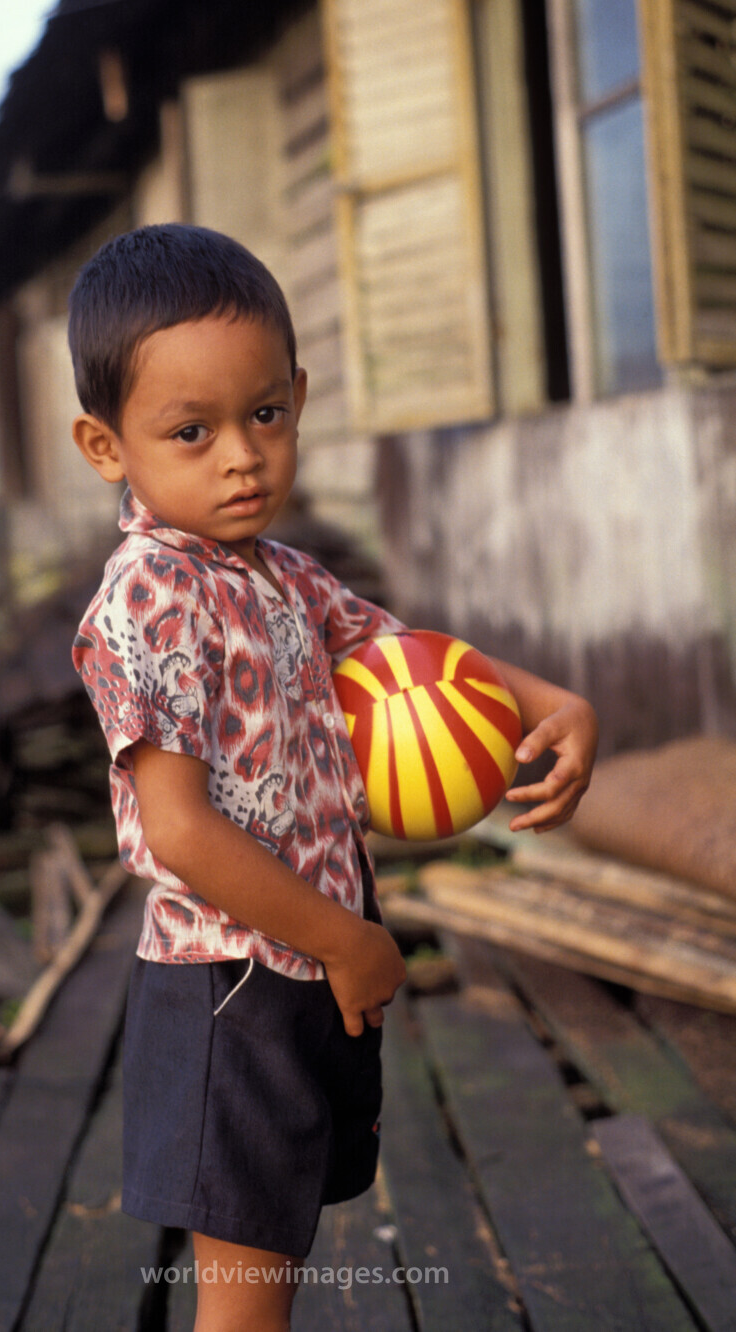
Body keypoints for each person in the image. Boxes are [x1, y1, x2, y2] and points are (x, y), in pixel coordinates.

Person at [69, 223, 598, 1331]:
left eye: (264, 414)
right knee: (244, 1302)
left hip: (304, 965)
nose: (241, 456)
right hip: (232, 987)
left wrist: (552, 705)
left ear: (299, 396)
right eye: (190, 431)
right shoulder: (152, 597)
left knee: (282, 1266)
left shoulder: (280, 575)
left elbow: (406, 660)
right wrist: (345, 939)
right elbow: (179, 830)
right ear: (105, 446)